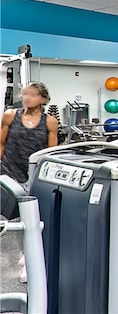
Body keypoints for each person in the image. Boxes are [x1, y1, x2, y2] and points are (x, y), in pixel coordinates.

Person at [0, 81, 58, 283]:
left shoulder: (50, 122)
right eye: (25, 94)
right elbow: (2, 143)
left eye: (32, 94)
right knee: (14, 217)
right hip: (9, 170)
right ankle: (21, 254)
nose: (27, 98)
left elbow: (52, 153)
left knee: (31, 217)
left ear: (43, 99)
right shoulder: (10, 115)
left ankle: (27, 258)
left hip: (33, 173)